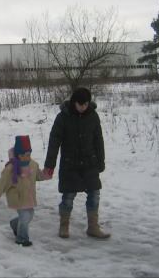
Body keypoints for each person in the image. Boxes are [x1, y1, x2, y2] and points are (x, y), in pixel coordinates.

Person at [42, 87, 110, 239]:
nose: (83, 108)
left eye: (85, 105)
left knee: (94, 194)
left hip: (89, 162)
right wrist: (50, 165)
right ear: (74, 103)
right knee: (68, 196)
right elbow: (54, 141)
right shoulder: (63, 117)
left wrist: (100, 161)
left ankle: (93, 226)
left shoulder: (93, 116)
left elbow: (98, 140)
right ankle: (64, 225)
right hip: (69, 163)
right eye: (80, 105)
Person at [0, 135, 51, 247]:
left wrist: (46, 174)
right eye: (23, 155)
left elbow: (38, 176)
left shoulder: (33, 164)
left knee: (30, 214)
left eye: (28, 155)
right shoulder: (11, 168)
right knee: (25, 217)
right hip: (17, 197)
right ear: (17, 155)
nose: (26, 158)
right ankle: (22, 239)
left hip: (29, 196)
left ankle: (14, 223)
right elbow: (2, 183)